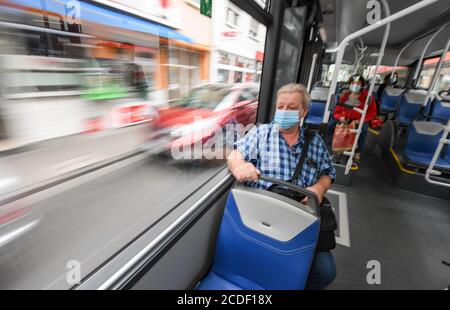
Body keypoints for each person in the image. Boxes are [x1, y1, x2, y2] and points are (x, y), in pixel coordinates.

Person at [227, 83, 337, 290]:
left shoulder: (315, 142)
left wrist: (319, 189)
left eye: (292, 107)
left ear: (304, 111)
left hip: (301, 215)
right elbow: (235, 154)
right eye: (281, 106)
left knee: (325, 272)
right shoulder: (261, 134)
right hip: (264, 214)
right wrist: (240, 165)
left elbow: (327, 173)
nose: (284, 112)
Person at [328, 76, 377, 165]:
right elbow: (336, 111)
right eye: (352, 83)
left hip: (359, 119)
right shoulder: (345, 96)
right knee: (331, 125)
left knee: (363, 130)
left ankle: (357, 153)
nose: (354, 85)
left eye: (357, 84)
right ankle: (337, 150)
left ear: (362, 85)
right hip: (345, 118)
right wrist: (341, 117)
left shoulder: (367, 97)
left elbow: (372, 113)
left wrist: (360, 120)